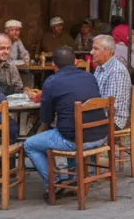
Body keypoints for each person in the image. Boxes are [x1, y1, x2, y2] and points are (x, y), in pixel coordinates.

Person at [23, 47, 109, 194]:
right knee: (69, 127)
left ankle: (53, 183)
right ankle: (71, 177)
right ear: (75, 62)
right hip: (101, 136)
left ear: (53, 64)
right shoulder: (89, 77)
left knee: (30, 144)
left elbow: (46, 118)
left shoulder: (51, 82)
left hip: (75, 140)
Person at [91, 37, 133, 131]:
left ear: (107, 51)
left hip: (112, 121)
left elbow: (112, 105)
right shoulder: (100, 66)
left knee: (74, 128)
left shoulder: (117, 71)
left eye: (96, 49)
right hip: (101, 115)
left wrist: (89, 109)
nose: (91, 52)